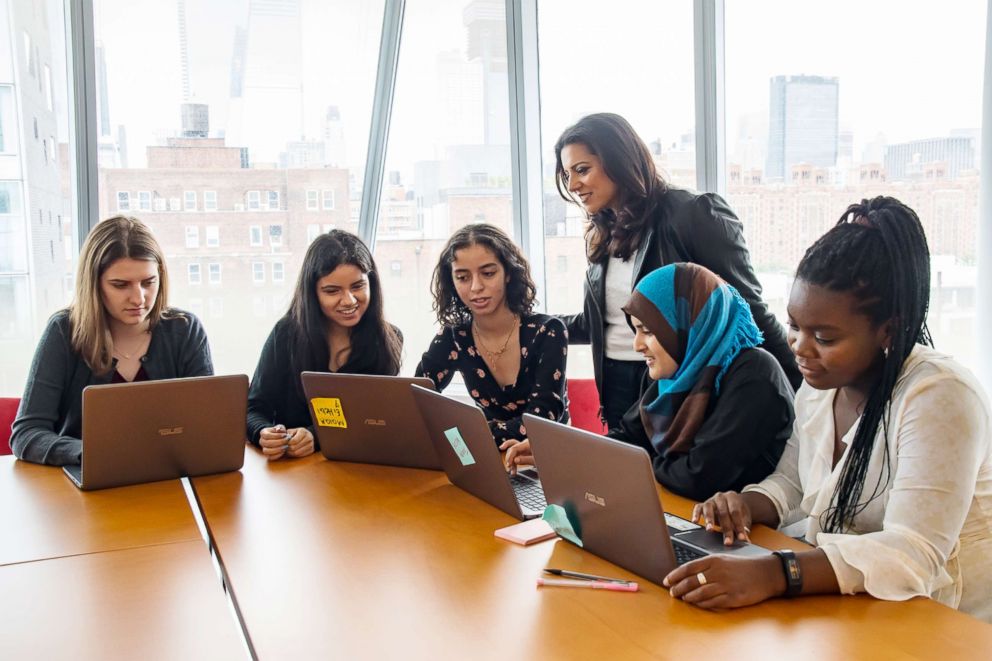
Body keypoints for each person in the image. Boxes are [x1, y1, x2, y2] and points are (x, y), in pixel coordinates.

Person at [664, 197, 992, 623]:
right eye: (795, 326)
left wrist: (776, 572)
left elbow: (914, 553)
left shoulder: (939, 396)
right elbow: (794, 482)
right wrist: (745, 505)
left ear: (886, 331)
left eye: (824, 337)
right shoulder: (822, 386)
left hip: (947, 621)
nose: (799, 348)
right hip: (856, 607)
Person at [554, 113, 800, 433]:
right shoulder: (601, 233)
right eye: (567, 174)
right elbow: (600, 321)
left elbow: (748, 310)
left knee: (677, 479)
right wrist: (524, 323)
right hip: (615, 384)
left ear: (619, 159)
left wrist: (801, 394)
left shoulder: (693, 214)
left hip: (682, 384)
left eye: (582, 170)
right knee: (624, 476)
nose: (573, 185)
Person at [11, 215, 213, 466]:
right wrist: (93, 453)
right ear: (94, 285)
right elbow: (27, 434)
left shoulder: (185, 329)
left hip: (167, 480)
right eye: (120, 285)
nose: (138, 298)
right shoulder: (63, 331)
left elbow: (207, 426)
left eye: (148, 282)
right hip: (83, 484)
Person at [607, 262, 794, 501]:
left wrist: (638, 462)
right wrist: (581, 454)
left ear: (688, 322)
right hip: (688, 514)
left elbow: (698, 477)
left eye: (648, 331)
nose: (637, 345)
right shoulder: (676, 372)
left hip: (753, 532)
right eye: (636, 331)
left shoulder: (754, 375)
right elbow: (629, 436)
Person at [417, 223, 568, 468]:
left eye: (488, 273)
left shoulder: (548, 331)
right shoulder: (453, 337)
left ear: (508, 272)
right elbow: (416, 397)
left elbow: (542, 419)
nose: (475, 287)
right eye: (463, 277)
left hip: (548, 461)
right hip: (491, 462)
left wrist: (471, 433)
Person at [247, 230, 402, 461]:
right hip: (290, 474)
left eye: (358, 286)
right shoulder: (286, 333)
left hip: (354, 469)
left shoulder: (387, 339)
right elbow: (254, 408)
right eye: (332, 291)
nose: (349, 300)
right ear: (313, 293)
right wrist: (263, 432)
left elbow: (370, 421)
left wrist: (315, 437)